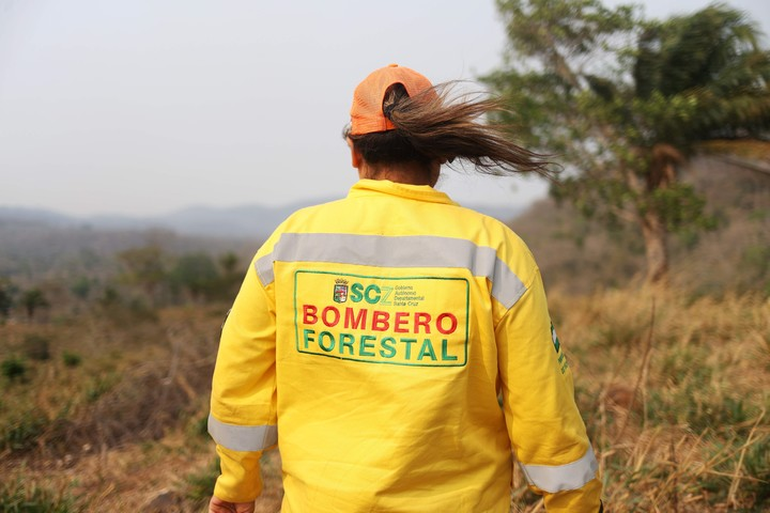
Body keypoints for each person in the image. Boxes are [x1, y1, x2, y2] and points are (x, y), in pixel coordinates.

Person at [207, 63, 603, 512]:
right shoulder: (493, 251)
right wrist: (577, 503)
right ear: (442, 155)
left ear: (354, 152)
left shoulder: (291, 242)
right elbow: (543, 408)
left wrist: (237, 481)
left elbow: (239, 378)